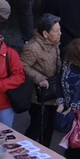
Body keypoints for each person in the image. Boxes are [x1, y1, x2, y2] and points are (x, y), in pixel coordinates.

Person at [21, 15, 63, 146]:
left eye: (59, 30)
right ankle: (24, 150)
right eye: (56, 31)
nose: (60, 33)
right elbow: (22, 66)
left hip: (52, 93)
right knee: (37, 127)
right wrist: (39, 78)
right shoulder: (33, 48)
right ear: (45, 33)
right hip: (38, 96)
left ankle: (45, 152)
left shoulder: (54, 44)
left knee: (49, 127)